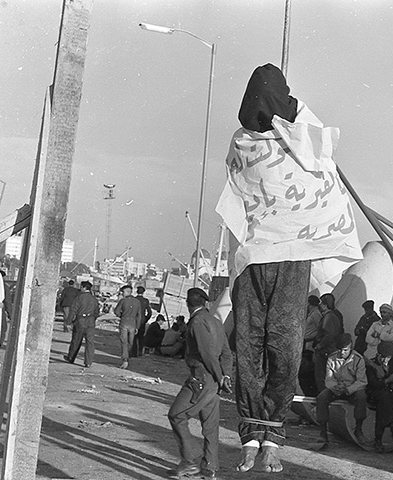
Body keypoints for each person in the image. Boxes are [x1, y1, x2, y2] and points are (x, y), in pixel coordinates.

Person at [216, 63, 361, 473]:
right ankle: (250, 435)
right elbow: (239, 190)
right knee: (248, 346)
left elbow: (323, 168)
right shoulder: (242, 141)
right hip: (252, 258)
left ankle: (273, 437)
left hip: (294, 256)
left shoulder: (302, 132)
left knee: (285, 347)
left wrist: (295, 121)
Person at [168, 288, 233, 479]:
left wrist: (220, 375)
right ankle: (210, 467)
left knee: (176, 415)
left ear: (188, 304)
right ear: (205, 303)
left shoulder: (196, 322)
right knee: (211, 426)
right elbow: (226, 353)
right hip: (214, 382)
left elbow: (206, 354)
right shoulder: (216, 321)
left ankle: (189, 461)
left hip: (201, 378)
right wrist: (225, 376)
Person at [315, 333, 368, 447]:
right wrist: (334, 386)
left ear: (350, 348)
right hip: (336, 389)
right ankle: (323, 432)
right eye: (340, 350)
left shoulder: (358, 359)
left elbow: (362, 381)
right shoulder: (332, 358)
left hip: (351, 390)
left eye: (345, 350)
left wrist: (348, 389)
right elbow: (329, 379)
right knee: (322, 397)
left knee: (361, 397)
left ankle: (358, 429)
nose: (342, 353)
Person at [365, 341, 393, 452]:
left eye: (388, 358)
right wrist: (388, 380)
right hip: (374, 395)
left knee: (384, 404)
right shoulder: (371, 364)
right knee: (383, 400)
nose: (385, 360)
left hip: (388, 397)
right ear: (378, 354)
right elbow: (373, 384)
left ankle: (378, 441)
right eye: (382, 357)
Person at [63, 281, 100, 367]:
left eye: (81, 287)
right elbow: (97, 312)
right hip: (90, 322)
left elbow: (73, 310)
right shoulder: (94, 299)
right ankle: (88, 362)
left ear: (84, 288)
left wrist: (68, 322)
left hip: (80, 321)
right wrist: (93, 319)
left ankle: (71, 358)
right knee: (90, 342)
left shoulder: (79, 298)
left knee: (76, 340)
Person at [314, 293, 345, 392]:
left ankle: (324, 395)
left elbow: (329, 334)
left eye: (322, 304)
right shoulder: (333, 315)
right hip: (331, 350)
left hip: (326, 351)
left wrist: (320, 345)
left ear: (325, 305)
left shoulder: (329, 317)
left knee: (321, 376)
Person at [113, 285, 141, 369]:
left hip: (124, 322)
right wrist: (137, 327)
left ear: (128, 292)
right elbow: (139, 316)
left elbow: (116, 312)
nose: (122, 293)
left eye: (123, 292)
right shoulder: (137, 302)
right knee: (130, 343)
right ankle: (128, 357)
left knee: (124, 342)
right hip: (133, 324)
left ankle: (125, 359)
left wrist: (122, 315)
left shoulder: (123, 301)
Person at [130, 286, 152, 358]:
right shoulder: (145, 301)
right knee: (141, 337)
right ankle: (140, 351)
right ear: (143, 292)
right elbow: (149, 313)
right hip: (142, 321)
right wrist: (145, 320)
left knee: (134, 337)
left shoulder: (134, 300)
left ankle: (134, 352)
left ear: (137, 292)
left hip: (134, 320)